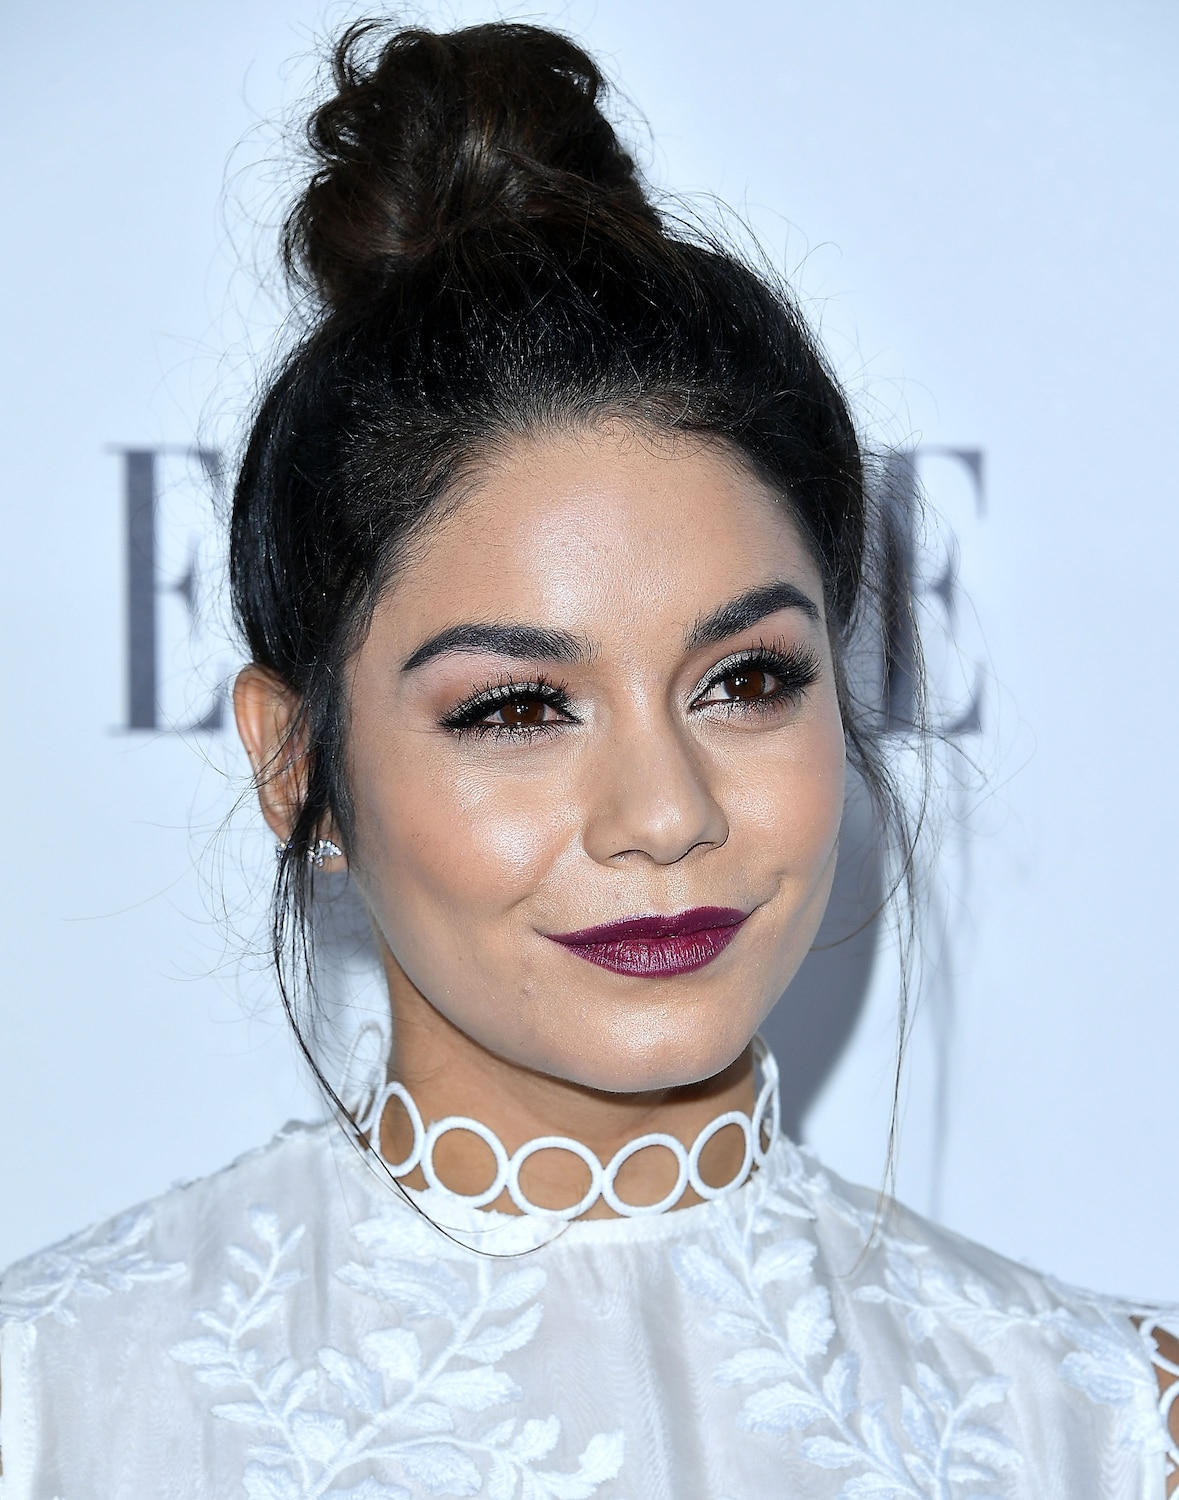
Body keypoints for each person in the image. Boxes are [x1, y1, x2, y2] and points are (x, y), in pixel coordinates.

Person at [0, 19, 1175, 1498]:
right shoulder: (54, 1411)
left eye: (746, 681)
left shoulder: (1109, 1430)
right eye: (516, 708)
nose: (664, 815)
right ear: (298, 766)